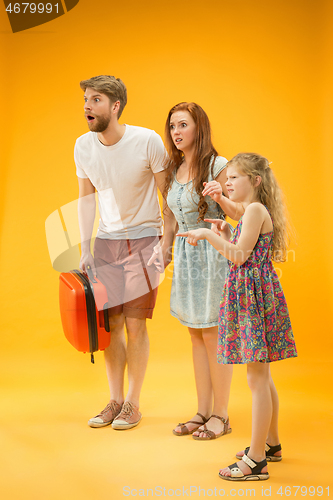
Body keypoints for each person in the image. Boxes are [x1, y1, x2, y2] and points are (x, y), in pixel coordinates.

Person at [178, 152, 297, 480]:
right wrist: (227, 233)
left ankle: (256, 460)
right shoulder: (251, 212)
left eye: (233, 178)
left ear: (255, 181)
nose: (226, 182)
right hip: (251, 294)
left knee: (256, 379)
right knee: (263, 376)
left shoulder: (256, 209)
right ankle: (271, 444)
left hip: (252, 298)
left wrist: (208, 235)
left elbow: (240, 256)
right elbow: (243, 249)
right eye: (226, 177)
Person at [74, 75, 174, 430]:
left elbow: (169, 197)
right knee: (111, 324)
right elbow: (86, 199)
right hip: (106, 242)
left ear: (115, 106)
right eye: (86, 99)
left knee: (135, 324)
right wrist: (86, 247)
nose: (87, 105)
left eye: (96, 99)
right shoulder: (83, 146)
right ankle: (114, 400)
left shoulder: (147, 141)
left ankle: (133, 402)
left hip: (145, 239)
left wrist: (167, 241)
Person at [161, 102, 234, 440]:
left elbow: (243, 210)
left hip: (213, 254)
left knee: (211, 334)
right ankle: (202, 411)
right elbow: (171, 218)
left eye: (183, 125)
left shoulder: (218, 165)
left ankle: (221, 414)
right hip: (186, 257)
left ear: (198, 128)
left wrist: (223, 197)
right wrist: (163, 253)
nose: (176, 132)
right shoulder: (175, 169)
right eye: (173, 126)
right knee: (194, 332)